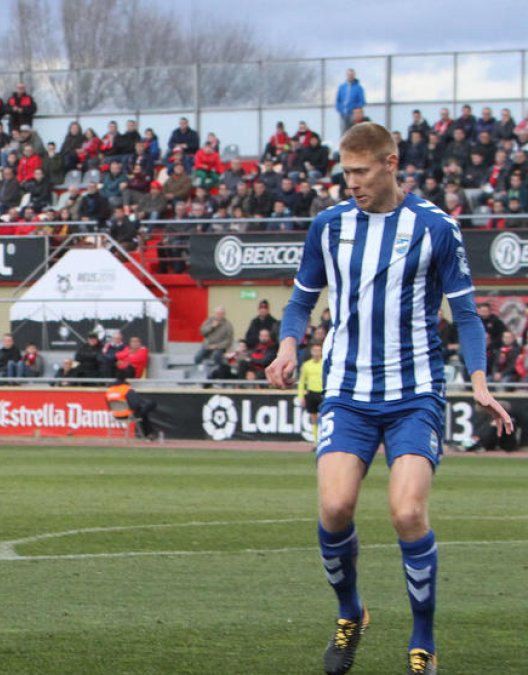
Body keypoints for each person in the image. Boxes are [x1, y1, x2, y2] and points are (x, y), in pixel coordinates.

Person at [265, 122, 513, 675]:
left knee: (406, 512)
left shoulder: (435, 229)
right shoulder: (329, 227)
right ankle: (352, 614)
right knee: (334, 508)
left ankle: (422, 640)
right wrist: (287, 346)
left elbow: (467, 314)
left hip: (414, 393)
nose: (350, 182)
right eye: (345, 171)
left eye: (360, 171)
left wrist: (478, 382)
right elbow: (300, 302)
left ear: (391, 162)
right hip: (348, 393)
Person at [297, 341, 325, 446]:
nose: (316, 353)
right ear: (311, 352)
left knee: (325, 417)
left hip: (323, 393)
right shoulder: (306, 365)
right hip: (311, 393)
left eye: (318, 350)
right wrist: (301, 396)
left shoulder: (325, 363)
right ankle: (316, 441)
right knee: (313, 418)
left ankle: (323, 440)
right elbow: (302, 382)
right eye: (314, 351)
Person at [195, 306, 234, 371]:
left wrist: (217, 346)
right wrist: (211, 327)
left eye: (221, 314)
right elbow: (202, 332)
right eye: (217, 313)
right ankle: (199, 372)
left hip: (220, 346)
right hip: (207, 345)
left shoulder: (228, 325)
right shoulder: (208, 321)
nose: (218, 315)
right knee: (198, 357)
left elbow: (229, 340)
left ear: (224, 314)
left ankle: (217, 372)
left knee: (216, 356)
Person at [336, 69, 366, 133]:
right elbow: (338, 100)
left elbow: (362, 101)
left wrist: (355, 109)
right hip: (343, 113)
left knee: (352, 131)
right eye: (348, 75)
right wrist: (339, 108)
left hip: (353, 114)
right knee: (343, 131)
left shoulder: (358, 88)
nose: (350, 76)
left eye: (351, 75)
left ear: (354, 76)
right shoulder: (342, 87)